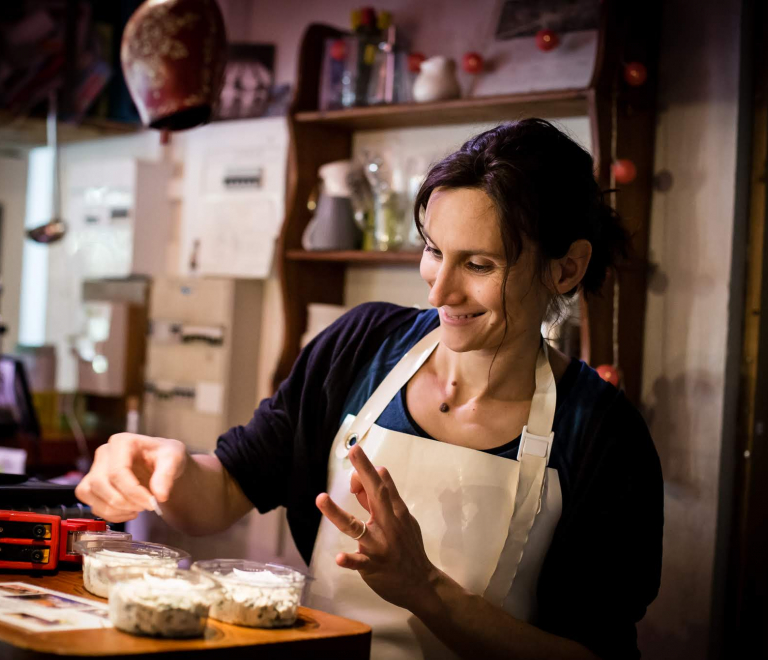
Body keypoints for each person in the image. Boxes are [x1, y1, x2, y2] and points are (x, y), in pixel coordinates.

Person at [75, 119, 663, 660]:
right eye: (435, 251)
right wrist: (167, 468)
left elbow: (595, 655)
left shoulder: (603, 434)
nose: (439, 293)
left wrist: (426, 590)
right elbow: (226, 487)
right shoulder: (361, 345)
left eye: (479, 265)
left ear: (565, 269)